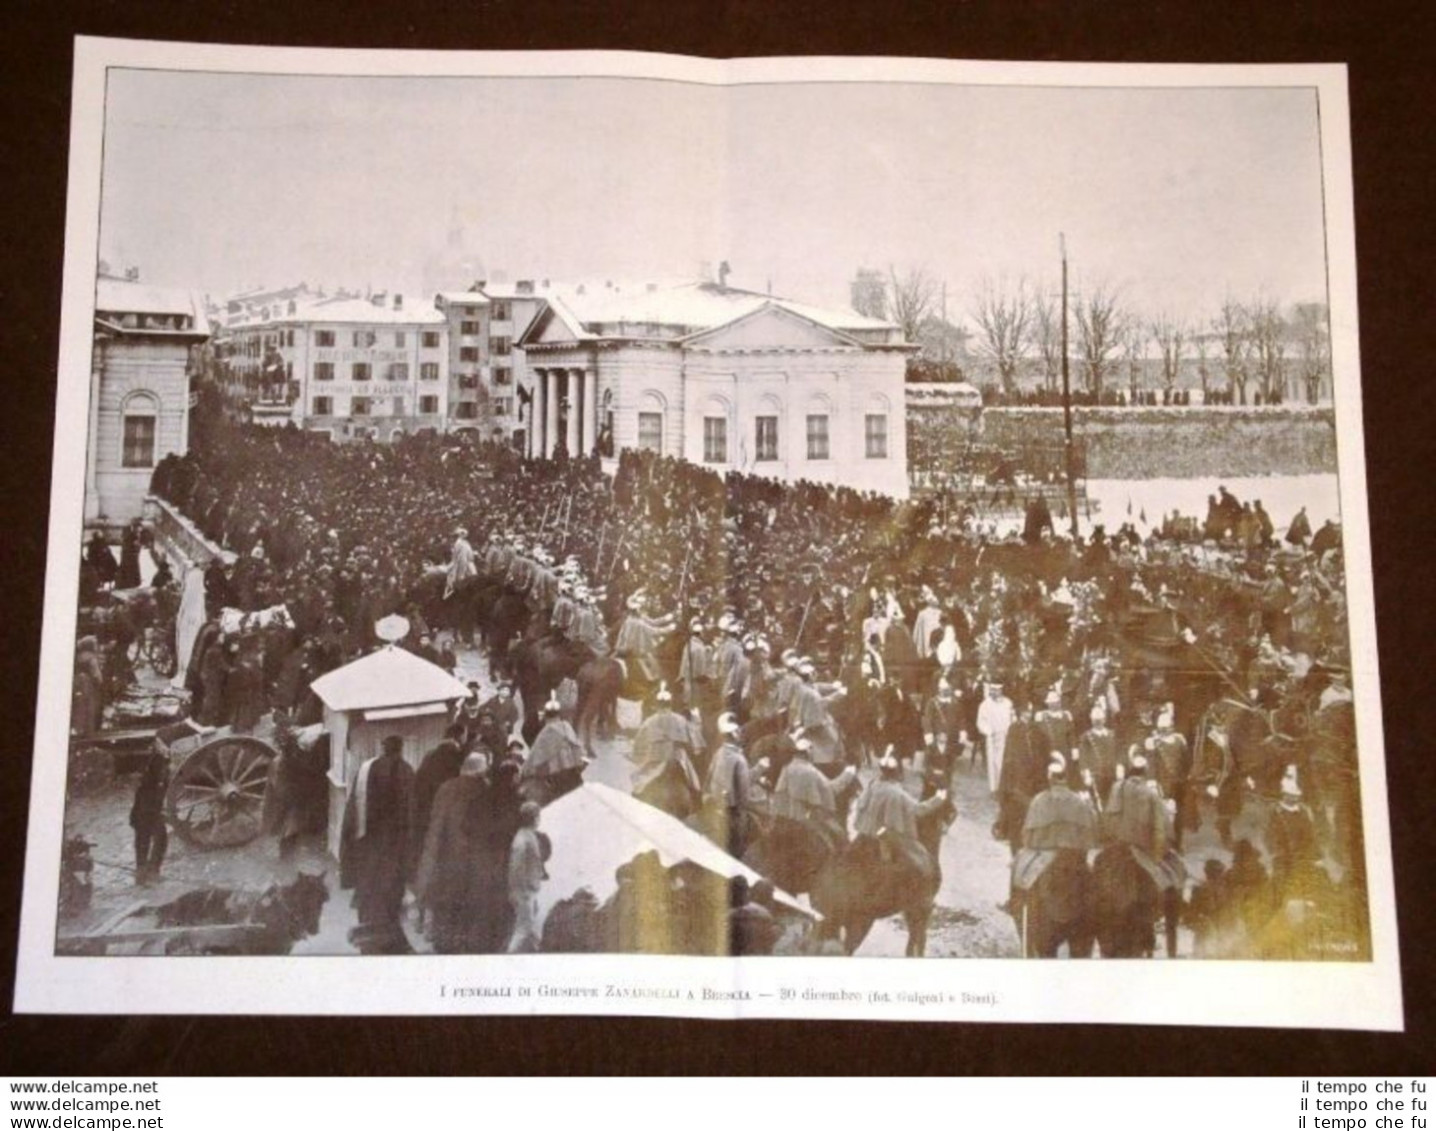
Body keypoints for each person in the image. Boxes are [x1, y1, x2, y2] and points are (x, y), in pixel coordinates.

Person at [415, 751, 510, 954]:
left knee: (446, 919)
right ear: (481, 771)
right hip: (475, 868)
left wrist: (427, 871)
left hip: (446, 866)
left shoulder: (446, 788)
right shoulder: (485, 790)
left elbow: (435, 830)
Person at [340, 735, 414, 954]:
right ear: (400, 750)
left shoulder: (365, 769)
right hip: (392, 846)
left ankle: (368, 945)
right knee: (389, 897)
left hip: (366, 843)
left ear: (383, 748)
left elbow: (352, 809)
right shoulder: (407, 771)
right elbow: (409, 813)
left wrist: (348, 845)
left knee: (367, 892)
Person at [630, 683, 703, 819]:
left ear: (657, 705)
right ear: (670, 704)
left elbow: (637, 751)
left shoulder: (648, 722)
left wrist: (640, 758)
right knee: (695, 786)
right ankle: (697, 807)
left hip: (655, 763)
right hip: (678, 761)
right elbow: (696, 744)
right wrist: (696, 720)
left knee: (637, 788)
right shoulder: (681, 720)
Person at [521, 695, 588, 805]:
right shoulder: (567, 726)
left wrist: (526, 769)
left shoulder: (548, 730)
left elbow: (537, 755)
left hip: (556, 775)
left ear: (546, 715)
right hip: (572, 772)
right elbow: (578, 747)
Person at [705, 712, 752, 858]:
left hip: (714, 805)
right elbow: (744, 796)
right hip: (732, 813)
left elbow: (708, 780)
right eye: (738, 732)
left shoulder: (718, 753)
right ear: (734, 734)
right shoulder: (739, 759)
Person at [507, 801, 548, 953]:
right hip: (525, 891)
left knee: (532, 928)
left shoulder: (527, 836)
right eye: (538, 816)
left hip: (529, 889)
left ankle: (539, 952)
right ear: (534, 818)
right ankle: (507, 957)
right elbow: (517, 867)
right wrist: (522, 890)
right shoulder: (524, 838)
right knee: (523, 930)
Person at [129, 749, 169, 885]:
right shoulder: (156, 778)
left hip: (142, 811)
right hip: (149, 811)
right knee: (160, 839)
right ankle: (152, 873)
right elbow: (158, 793)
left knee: (142, 841)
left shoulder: (147, 776)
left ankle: (142, 873)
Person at [976, 680, 1014, 793]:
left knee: (1005, 762)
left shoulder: (1008, 703)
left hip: (1006, 736)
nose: (995, 692)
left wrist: (1011, 730)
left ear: (1001, 690)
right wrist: (987, 730)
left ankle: (1006, 787)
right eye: (993, 690)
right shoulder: (985, 705)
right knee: (994, 763)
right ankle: (995, 789)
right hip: (992, 737)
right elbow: (980, 722)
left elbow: (1012, 718)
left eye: (997, 690)